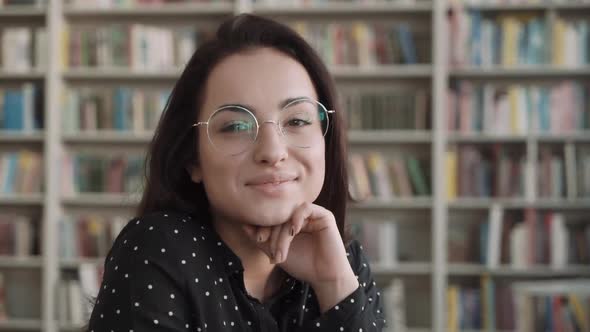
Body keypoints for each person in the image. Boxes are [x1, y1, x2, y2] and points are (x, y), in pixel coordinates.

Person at [86, 13, 386, 332]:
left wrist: (333, 282)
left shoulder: (344, 260)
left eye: (297, 121)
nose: (272, 152)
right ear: (192, 158)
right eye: (236, 126)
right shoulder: (159, 248)